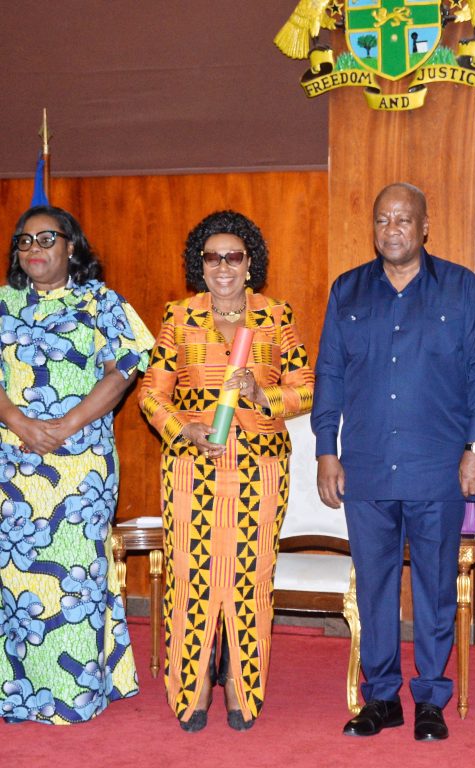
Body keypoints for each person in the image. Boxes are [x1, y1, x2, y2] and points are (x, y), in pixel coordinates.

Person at [312, 182, 475, 741]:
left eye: (402, 219)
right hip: (367, 465)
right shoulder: (347, 290)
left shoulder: (462, 288)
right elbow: (330, 374)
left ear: (424, 227)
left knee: (436, 585)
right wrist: (326, 449)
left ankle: (431, 700)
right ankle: (382, 697)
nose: (391, 229)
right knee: (374, 585)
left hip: (438, 465)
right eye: (382, 220)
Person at [138, 210, 314, 732]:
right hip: (192, 465)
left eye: (233, 256)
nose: (222, 266)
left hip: (259, 465)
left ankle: (241, 683)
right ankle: (191, 689)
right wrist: (183, 429)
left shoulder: (276, 316)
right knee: (190, 574)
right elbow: (150, 394)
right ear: (200, 264)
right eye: (212, 257)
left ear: (249, 262)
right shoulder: (179, 316)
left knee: (250, 575)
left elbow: (308, 389)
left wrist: (263, 394)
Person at [0, 205, 154, 724]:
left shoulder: (101, 302)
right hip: (13, 463)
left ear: (71, 247)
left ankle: (73, 695)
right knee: (15, 578)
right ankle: (15, 691)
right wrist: (22, 423)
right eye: (25, 240)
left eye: (48, 238)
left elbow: (123, 371)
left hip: (81, 466)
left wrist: (64, 425)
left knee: (76, 578)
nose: (34, 248)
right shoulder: (2, 303)